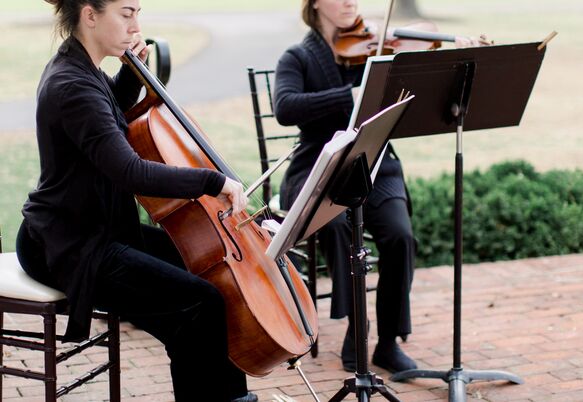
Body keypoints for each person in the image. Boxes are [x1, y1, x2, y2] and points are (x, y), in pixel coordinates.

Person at [16, 0, 257, 401]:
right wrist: (212, 181)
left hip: (103, 227)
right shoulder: (71, 85)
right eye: (126, 13)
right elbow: (130, 171)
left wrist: (130, 76)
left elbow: (107, 112)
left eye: (137, 14)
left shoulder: (81, 68)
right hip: (69, 244)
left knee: (212, 273)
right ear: (90, 15)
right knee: (197, 304)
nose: (136, 26)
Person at [274, 0, 481, 373]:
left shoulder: (377, 50)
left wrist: (457, 54)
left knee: (400, 236)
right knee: (336, 226)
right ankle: (357, 326)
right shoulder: (298, 57)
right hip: (319, 166)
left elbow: (419, 81)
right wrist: (349, 95)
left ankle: (388, 343)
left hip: (376, 162)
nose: (350, 1)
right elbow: (285, 107)